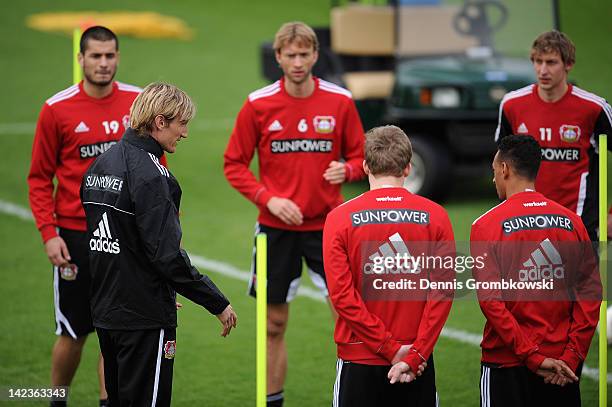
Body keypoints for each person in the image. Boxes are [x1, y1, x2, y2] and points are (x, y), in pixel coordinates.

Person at [223, 21, 365, 406]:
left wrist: (348, 170)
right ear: (278, 57)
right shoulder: (258, 103)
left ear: (316, 56)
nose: (298, 61)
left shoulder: (340, 101)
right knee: (274, 324)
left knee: (350, 317)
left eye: (305, 54)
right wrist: (267, 198)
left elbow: (361, 157)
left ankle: (353, 394)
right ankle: (273, 401)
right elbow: (234, 163)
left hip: (329, 228)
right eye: (291, 54)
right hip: (274, 231)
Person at [27, 26, 161, 406]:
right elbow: (39, 177)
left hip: (126, 236)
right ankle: (57, 399)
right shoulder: (57, 109)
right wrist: (48, 233)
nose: (104, 63)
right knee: (74, 331)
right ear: (81, 59)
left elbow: (158, 172)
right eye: (96, 56)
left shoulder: (139, 104)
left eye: (110, 55)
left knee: (117, 328)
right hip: (75, 237)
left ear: (118, 57)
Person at [81, 82, 237, 406]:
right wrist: (217, 302)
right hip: (143, 319)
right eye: (182, 123)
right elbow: (167, 257)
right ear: (160, 122)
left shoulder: (100, 165)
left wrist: (152, 288)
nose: (185, 133)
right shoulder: (154, 177)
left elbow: (112, 244)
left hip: (107, 312)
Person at [323, 125, 455, 406]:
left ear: (365, 166)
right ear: (408, 168)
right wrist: (416, 353)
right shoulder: (437, 217)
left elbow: (343, 298)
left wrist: (388, 348)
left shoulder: (339, 219)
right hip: (416, 361)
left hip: (359, 358)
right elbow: (442, 293)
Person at [471, 135, 601, 406]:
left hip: (505, 363)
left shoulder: (485, 225)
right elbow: (590, 295)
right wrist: (572, 356)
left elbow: (491, 302)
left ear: (505, 169)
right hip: (562, 367)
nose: (494, 179)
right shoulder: (573, 222)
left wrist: (531, 356)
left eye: (494, 171)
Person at [495, 30, 612, 242]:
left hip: (579, 227)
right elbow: (501, 164)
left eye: (551, 62)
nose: (543, 70)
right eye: (537, 62)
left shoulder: (594, 108)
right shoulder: (511, 104)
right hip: (525, 225)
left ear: (568, 64)